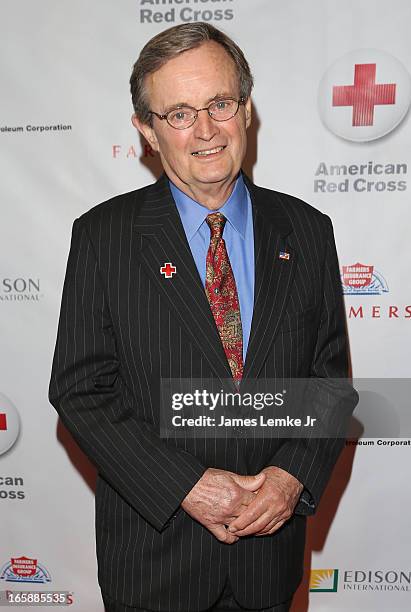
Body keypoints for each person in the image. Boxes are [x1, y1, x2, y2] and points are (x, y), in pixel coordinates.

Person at [49, 23, 357, 612]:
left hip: (269, 566)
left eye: (220, 104)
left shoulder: (309, 232)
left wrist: (292, 478)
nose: (206, 131)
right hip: (155, 565)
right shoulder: (103, 238)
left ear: (245, 109)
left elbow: (328, 383)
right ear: (146, 130)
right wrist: (186, 486)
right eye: (180, 113)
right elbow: (80, 389)